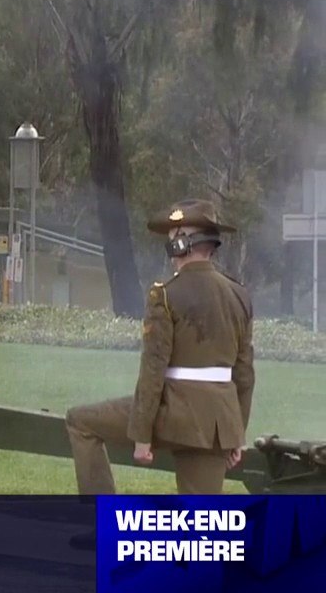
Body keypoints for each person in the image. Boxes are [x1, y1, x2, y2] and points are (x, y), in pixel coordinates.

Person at [65, 199, 254, 496]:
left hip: (172, 415)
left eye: (171, 241)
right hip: (217, 424)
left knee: (81, 422)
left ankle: (101, 517)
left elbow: (153, 370)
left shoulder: (165, 295)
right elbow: (244, 375)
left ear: (181, 244)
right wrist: (235, 434)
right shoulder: (239, 295)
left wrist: (142, 435)